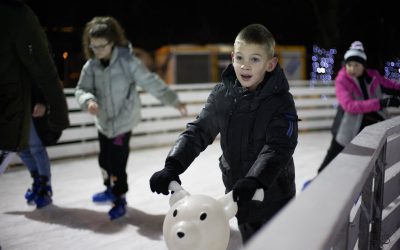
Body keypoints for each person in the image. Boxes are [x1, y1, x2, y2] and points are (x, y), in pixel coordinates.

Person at [149, 24, 298, 243]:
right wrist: (173, 165)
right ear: (232, 58)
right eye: (240, 58)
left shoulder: (281, 102)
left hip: (274, 195)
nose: (245, 66)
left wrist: (255, 180)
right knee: (252, 242)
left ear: (270, 64)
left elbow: (279, 147)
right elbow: (198, 131)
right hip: (238, 195)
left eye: (254, 59)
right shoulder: (222, 95)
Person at [75, 16, 187, 220]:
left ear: (112, 42)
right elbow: (82, 89)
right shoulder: (91, 66)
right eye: (94, 46)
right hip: (104, 123)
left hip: (123, 123)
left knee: (117, 161)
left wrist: (174, 100)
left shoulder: (127, 62)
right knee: (104, 160)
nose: (97, 50)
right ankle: (109, 188)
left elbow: (151, 82)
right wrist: (88, 100)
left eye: (102, 46)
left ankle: (119, 197)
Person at [0, 0, 69, 201]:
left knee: (35, 146)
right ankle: (36, 178)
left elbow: (42, 74)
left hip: (30, 104)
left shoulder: (29, 34)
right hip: (14, 104)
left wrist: (43, 101)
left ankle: (44, 184)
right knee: (18, 147)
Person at [317, 41, 400, 174]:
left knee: (364, 166)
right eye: (349, 65)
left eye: (356, 65)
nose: (352, 69)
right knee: (331, 160)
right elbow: (350, 106)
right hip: (345, 129)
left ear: (363, 66)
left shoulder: (373, 77)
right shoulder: (342, 80)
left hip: (369, 128)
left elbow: (391, 86)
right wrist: (381, 103)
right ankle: (317, 181)